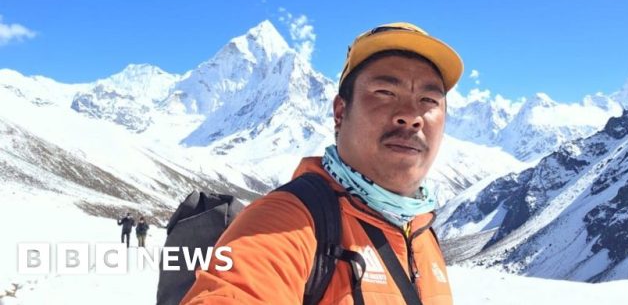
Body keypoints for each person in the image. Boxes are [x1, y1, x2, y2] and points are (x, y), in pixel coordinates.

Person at [181, 22, 463, 305]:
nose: (411, 115)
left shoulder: (422, 231)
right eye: (385, 93)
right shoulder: (285, 221)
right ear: (340, 112)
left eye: (429, 99)